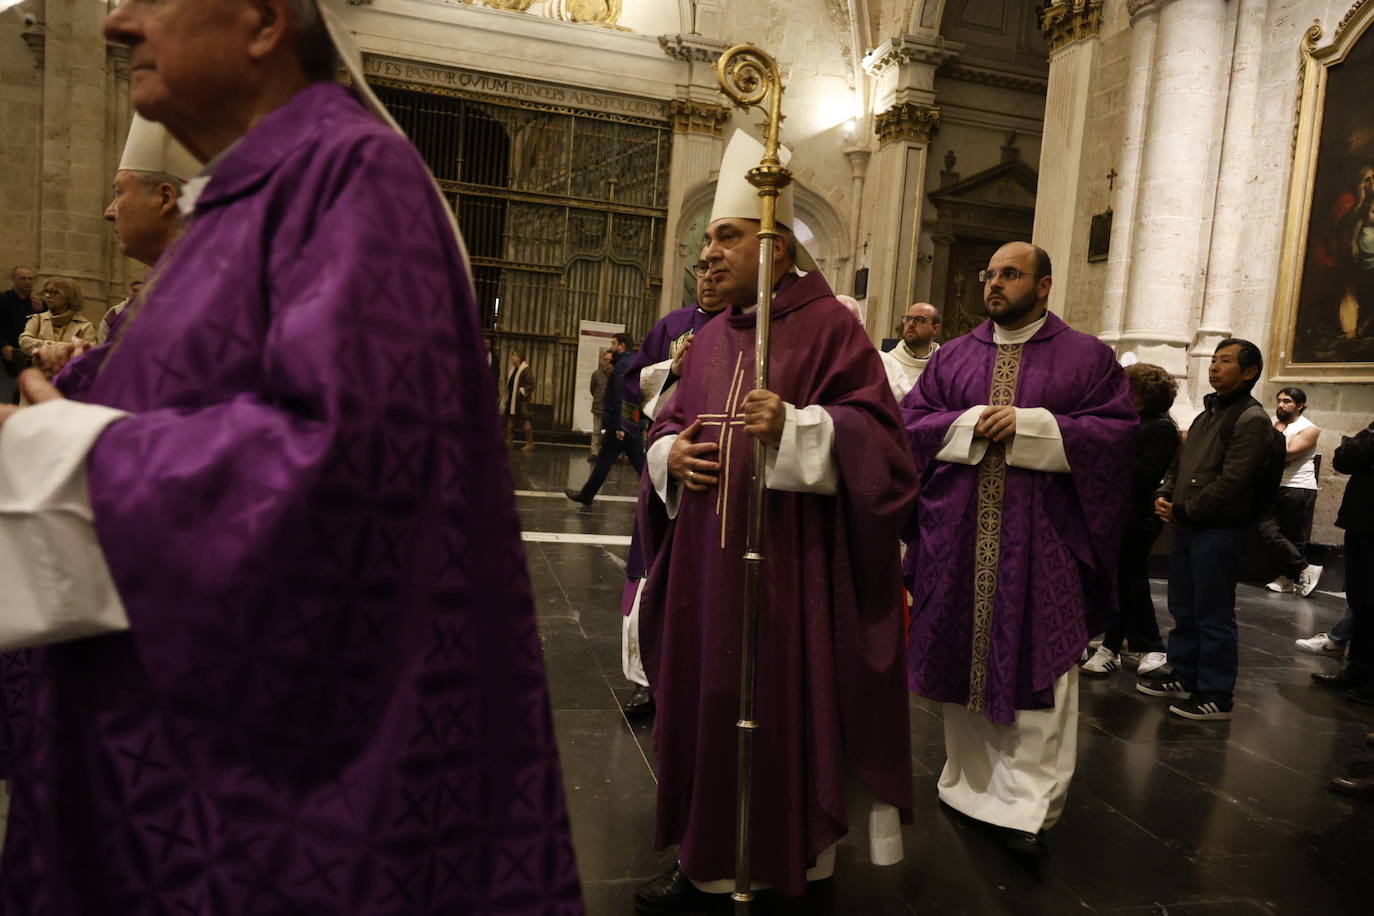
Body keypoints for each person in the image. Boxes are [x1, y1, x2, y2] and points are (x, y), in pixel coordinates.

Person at [0, 1, 581, 912]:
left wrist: (73, 455)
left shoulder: (352, 176)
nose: (115, 22)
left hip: (279, 821)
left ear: (265, 21)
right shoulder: (255, 193)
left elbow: (350, 469)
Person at [632, 130, 917, 910]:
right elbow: (666, 423)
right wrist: (671, 458)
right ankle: (703, 859)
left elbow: (887, 455)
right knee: (703, 711)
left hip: (788, 578)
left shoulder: (832, 330)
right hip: (702, 573)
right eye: (708, 240)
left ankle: (785, 861)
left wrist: (802, 430)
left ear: (779, 247)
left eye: (727, 236)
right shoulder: (712, 336)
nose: (710, 253)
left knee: (775, 709)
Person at [902, 241, 1135, 859]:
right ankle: (968, 784)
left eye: (1010, 274)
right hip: (957, 538)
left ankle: (1027, 805)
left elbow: (1116, 436)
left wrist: (1036, 426)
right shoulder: (953, 356)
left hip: (1044, 544)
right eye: (990, 274)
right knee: (963, 662)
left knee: (1040, 669)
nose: (995, 284)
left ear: (1045, 285)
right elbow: (909, 424)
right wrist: (968, 422)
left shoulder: (1087, 358)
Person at [612, 248, 727, 718]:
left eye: (718, 272)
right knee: (650, 562)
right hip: (666, 460)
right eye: (702, 271)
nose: (709, 280)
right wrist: (672, 370)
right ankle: (643, 680)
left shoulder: (750, 329)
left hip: (718, 468)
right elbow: (632, 382)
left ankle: (698, 676)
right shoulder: (673, 324)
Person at [1143, 339, 1275, 721]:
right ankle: (1184, 674)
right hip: (1190, 525)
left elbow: (1234, 480)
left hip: (1218, 529)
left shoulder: (1251, 419)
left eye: (1226, 361)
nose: (1215, 367)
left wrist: (1186, 509)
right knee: (1184, 606)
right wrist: (1168, 494)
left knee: (1213, 613)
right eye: (1214, 360)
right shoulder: (1206, 415)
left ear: (1249, 372)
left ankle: (1216, 693)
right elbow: (1181, 466)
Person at [1082, 363, 1178, 677]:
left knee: (1130, 580)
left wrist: (1106, 450)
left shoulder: (1160, 427)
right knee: (1119, 580)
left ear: (1144, 395)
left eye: (1129, 388)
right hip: (1115, 510)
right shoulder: (1129, 421)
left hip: (1137, 514)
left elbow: (1145, 474)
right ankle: (1111, 644)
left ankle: (1150, 645)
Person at [99, 114, 199, 343]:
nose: (109, 212)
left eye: (119, 193)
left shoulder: (200, 296)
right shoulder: (160, 290)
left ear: (165, 198)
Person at [1309, 418, 1374, 698]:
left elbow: (1356, 451)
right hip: (1360, 520)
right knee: (1360, 602)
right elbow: (1343, 459)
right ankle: (1356, 671)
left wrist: (1358, 448)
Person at [566, 332, 643, 506]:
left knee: (608, 461)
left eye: (614, 344)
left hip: (621, 425)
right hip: (630, 423)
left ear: (622, 346)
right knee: (634, 462)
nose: (612, 347)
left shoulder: (622, 366)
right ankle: (659, 495)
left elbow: (621, 398)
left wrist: (619, 426)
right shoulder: (633, 362)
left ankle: (586, 495)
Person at [1259, 387, 1323, 596]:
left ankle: (1288, 580)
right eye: (1279, 400)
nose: (1280, 405)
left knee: (1293, 535)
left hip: (1298, 486)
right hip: (1273, 485)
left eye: (1287, 401)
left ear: (1300, 405)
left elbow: (1285, 454)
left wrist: (1276, 434)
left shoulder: (1309, 428)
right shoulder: (1270, 422)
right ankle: (1305, 568)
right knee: (1266, 530)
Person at [18, 277, 97, 396]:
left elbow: (89, 353)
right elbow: (24, 341)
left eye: (54, 292)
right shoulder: (37, 320)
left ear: (69, 296)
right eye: (46, 292)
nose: (48, 296)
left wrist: (46, 348)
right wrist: (59, 348)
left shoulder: (85, 326)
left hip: (68, 386)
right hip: (38, 383)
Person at [881, 302, 941, 401]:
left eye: (919, 320)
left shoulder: (944, 366)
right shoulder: (887, 363)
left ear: (935, 328)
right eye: (908, 319)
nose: (911, 324)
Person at [1, 267, 37, 404]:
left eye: (30, 279)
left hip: (28, 357)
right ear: (14, 279)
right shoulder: (3, 299)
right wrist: (3, 346)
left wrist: (41, 310)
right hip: (6, 353)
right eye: (23, 278)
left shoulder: (38, 304)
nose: (27, 282)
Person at [502, 347, 536, 451]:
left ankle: (530, 443)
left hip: (520, 401)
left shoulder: (525, 369)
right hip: (512, 400)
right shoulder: (514, 369)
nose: (512, 357)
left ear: (520, 357)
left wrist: (521, 392)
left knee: (525, 422)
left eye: (514, 355)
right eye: (513, 355)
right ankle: (509, 442)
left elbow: (530, 384)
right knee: (510, 422)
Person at [588, 348, 612, 458]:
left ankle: (606, 452)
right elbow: (592, 389)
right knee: (596, 431)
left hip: (611, 409)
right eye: (605, 360)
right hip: (598, 407)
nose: (607, 362)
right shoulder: (596, 374)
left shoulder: (616, 374)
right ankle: (594, 452)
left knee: (609, 433)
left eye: (609, 360)